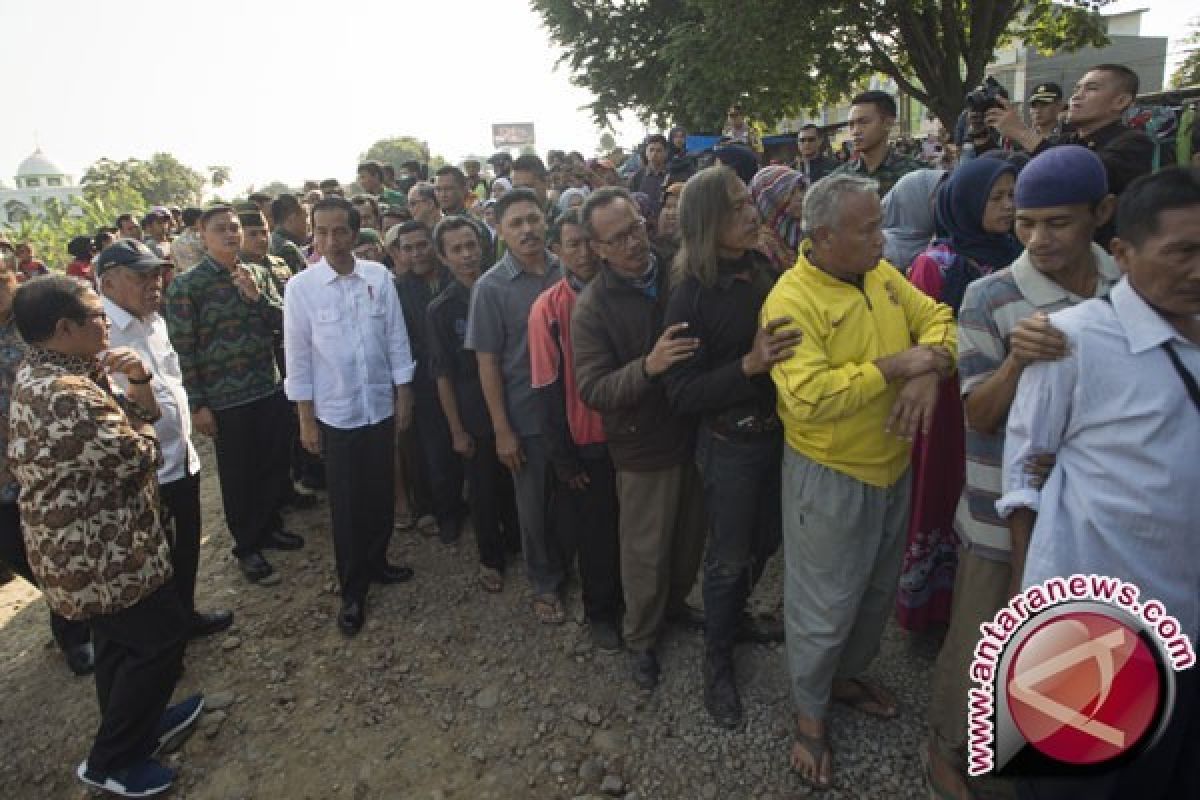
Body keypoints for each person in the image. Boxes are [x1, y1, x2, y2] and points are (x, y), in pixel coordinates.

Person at [923, 146, 1122, 800]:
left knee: (1063, 643)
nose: (1038, 238)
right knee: (985, 636)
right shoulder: (990, 295)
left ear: (1103, 214)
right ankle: (949, 748)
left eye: (1058, 223)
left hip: (1094, 514)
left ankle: (1032, 755)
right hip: (996, 514)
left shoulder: (1129, 286)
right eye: (1026, 222)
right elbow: (977, 414)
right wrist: (1017, 363)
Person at [997, 166, 1200, 800]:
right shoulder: (1072, 342)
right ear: (1123, 252)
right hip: (1092, 635)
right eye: (1184, 252)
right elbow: (1022, 475)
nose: (1198, 269)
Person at [761, 173, 955, 789]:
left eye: (880, 224)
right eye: (868, 228)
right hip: (832, 476)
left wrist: (931, 371)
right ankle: (810, 714)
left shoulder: (881, 275)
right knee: (824, 603)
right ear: (823, 237)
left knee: (873, 594)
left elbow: (941, 320)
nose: (882, 237)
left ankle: (843, 677)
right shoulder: (792, 302)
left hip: (892, 465)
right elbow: (811, 396)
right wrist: (897, 365)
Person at [8, 276, 203, 797]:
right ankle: (112, 761)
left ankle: (139, 728)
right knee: (161, 639)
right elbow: (145, 452)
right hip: (99, 552)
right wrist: (139, 405)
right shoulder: (63, 394)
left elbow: (145, 420)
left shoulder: (58, 367)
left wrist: (137, 383)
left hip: (104, 541)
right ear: (64, 328)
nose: (105, 322)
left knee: (118, 645)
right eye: (96, 315)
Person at [661, 167, 802, 727]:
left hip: (779, 435)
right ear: (705, 223)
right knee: (726, 559)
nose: (750, 214)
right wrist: (748, 364)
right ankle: (715, 663)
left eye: (749, 202)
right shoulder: (690, 295)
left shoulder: (764, 266)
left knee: (766, 542)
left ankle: (737, 617)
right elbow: (679, 392)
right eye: (735, 208)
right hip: (730, 446)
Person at [572, 186, 707, 691]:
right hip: (643, 445)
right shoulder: (593, 307)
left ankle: (676, 607)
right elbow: (593, 388)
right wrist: (647, 368)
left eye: (635, 227)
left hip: (694, 427)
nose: (634, 242)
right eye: (618, 237)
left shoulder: (678, 266)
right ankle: (642, 639)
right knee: (645, 551)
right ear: (598, 248)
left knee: (690, 537)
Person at [896, 158, 1021, 636]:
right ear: (966, 202)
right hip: (947, 403)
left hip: (1007, 399)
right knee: (942, 492)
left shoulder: (1016, 252)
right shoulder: (937, 263)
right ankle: (931, 608)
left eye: (1013, 195)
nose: (1009, 206)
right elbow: (920, 338)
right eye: (996, 197)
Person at [283, 196, 416, 636]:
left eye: (340, 231)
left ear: (355, 234)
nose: (330, 240)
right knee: (346, 505)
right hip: (336, 416)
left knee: (379, 493)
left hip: (378, 406)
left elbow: (396, 340)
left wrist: (404, 394)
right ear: (312, 235)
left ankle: (378, 561)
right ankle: (353, 590)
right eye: (321, 231)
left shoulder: (378, 278)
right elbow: (298, 359)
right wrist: (305, 419)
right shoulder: (301, 288)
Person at [97, 239, 235, 639]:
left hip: (181, 458)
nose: (155, 283)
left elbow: (171, 381)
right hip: (144, 472)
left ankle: (184, 616)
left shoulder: (155, 320)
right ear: (108, 284)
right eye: (142, 276)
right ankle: (163, 641)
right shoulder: (100, 333)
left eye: (157, 273)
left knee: (185, 545)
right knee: (153, 560)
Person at [164, 205, 302, 586]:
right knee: (239, 475)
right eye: (221, 229)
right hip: (226, 398)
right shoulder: (186, 286)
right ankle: (248, 545)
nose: (230, 235)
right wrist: (198, 403)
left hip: (269, 387)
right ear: (202, 236)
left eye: (235, 228)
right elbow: (183, 349)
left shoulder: (257, 273)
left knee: (274, 463)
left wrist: (257, 297)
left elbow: (283, 323)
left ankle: (271, 526)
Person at [466, 188, 564, 623]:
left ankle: (575, 566)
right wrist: (501, 428)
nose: (527, 230)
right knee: (534, 507)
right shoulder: (490, 288)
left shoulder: (569, 269)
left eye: (533, 219)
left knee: (572, 498)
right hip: (526, 415)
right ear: (501, 232)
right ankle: (544, 583)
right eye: (516, 224)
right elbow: (487, 363)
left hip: (576, 408)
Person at [528, 208, 623, 650]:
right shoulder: (548, 308)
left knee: (634, 528)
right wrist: (563, 458)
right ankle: (601, 611)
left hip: (632, 433)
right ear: (557, 251)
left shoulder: (623, 290)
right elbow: (545, 388)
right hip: (585, 440)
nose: (584, 252)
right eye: (573, 244)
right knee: (596, 534)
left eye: (590, 241)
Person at [0, 250, 94, 676]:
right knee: (24, 553)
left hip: (55, 462)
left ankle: (78, 632)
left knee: (64, 549)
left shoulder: (35, 326)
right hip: (6, 474)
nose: (9, 285)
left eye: (6, 277)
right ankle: (73, 626)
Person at [427, 216, 521, 592]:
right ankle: (491, 557)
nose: (467, 255)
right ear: (443, 257)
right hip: (472, 408)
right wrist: (456, 430)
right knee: (482, 490)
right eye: (456, 250)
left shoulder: (500, 289)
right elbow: (443, 374)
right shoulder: (441, 309)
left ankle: (520, 542)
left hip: (512, 398)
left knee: (516, 482)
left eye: (471, 246)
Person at [985, 64, 1153, 247]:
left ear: (1120, 101)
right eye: (1077, 88)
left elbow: (1081, 176)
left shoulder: (1133, 143)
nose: (1076, 96)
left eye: (1091, 89)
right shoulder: (1065, 141)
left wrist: (1022, 133)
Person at [391, 221, 465, 544]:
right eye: (408, 248)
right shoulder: (398, 289)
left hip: (465, 375)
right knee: (435, 450)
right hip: (424, 379)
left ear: (434, 246)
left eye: (422, 245)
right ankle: (446, 513)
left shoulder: (456, 278)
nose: (417, 253)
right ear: (399, 253)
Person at [835, 90, 923, 196]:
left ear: (888, 123)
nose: (855, 131)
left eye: (863, 122)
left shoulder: (916, 174)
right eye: (851, 124)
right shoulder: (838, 180)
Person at [881, 168, 946, 272]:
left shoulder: (940, 243)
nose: (946, 202)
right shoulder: (881, 251)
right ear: (914, 199)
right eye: (938, 196)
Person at [749, 165, 805, 273]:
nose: (801, 196)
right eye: (790, 193)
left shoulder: (809, 225)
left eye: (801, 189)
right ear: (769, 200)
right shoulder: (761, 249)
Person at [630, 134, 670, 219]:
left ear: (665, 153)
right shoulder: (637, 177)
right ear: (646, 152)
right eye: (651, 150)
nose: (654, 154)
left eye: (659, 150)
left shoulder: (671, 176)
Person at [511, 154, 558, 227]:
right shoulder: (511, 225)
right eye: (516, 189)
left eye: (527, 188)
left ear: (546, 182)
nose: (521, 194)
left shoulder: (561, 222)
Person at [269, 194, 311, 276]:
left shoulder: (271, 242)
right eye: (305, 218)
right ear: (292, 218)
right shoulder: (287, 249)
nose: (308, 224)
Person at [171, 208, 207, 273]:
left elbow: (176, 267)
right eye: (203, 219)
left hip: (184, 279)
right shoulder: (201, 239)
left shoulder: (175, 241)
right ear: (198, 220)